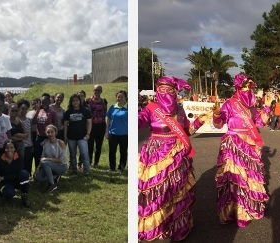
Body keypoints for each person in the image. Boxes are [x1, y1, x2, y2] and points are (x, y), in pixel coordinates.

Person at [137, 76, 199, 240]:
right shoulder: (150, 109)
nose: (165, 93)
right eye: (161, 89)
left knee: (177, 191)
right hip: (156, 154)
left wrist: (200, 121)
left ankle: (177, 224)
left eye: (169, 89)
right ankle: (158, 226)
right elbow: (137, 121)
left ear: (175, 91)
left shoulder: (179, 110)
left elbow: (187, 131)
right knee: (159, 191)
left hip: (178, 154)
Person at [208, 74, 270, 226]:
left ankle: (246, 209)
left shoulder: (252, 107)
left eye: (249, 86)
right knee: (233, 178)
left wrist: (267, 107)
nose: (247, 89)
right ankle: (231, 211)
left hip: (249, 144)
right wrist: (216, 115)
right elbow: (219, 124)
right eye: (244, 86)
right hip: (233, 144)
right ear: (237, 87)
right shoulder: (229, 103)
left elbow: (260, 123)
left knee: (249, 178)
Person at [63, 94, 92, 175]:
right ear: (71, 102)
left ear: (80, 101)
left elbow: (89, 122)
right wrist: (65, 136)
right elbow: (65, 125)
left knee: (84, 154)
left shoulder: (85, 110)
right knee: (72, 154)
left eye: (77, 100)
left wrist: (88, 134)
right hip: (71, 137)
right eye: (73, 101)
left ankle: (86, 171)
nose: (75, 102)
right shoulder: (68, 112)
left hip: (82, 137)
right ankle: (74, 170)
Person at [0, 140, 30, 207]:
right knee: (9, 194)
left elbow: (18, 173)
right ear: (4, 149)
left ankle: (24, 195)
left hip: (16, 180)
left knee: (24, 173)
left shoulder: (19, 157)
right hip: (5, 182)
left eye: (11, 147)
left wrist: (4, 177)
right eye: (7, 147)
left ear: (15, 149)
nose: (9, 149)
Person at [34, 125, 67, 192]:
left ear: (56, 132)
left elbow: (62, 160)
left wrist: (48, 159)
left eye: (52, 132)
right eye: (48, 132)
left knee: (46, 163)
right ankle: (55, 177)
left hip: (61, 166)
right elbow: (42, 158)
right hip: (48, 165)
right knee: (37, 178)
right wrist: (37, 169)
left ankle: (52, 185)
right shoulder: (45, 143)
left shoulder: (60, 143)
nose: (50, 134)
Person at [31, 94, 57, 173]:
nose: (44, 104)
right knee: (37, 155)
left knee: (48, 156)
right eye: (42, 102)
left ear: (49, 102)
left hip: (48, 138)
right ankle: (37, 172)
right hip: (39, 137)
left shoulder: (52, 113)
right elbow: (33, 122)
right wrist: (38, 111)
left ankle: (49, 172)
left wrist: (52, 138)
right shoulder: (39, 111)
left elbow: (55, 127)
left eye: (46, 102)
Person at [86, 86, 107, 169]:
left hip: (100, 126)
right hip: (91, 126)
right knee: (90, 145)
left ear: (101, 91)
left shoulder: (104, 101)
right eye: (95, 90)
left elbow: (105, 112)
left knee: (99, 145)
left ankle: (96, 162)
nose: (97, 91)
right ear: (93, 90)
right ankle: (90, 162)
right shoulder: (88, 101)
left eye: (98, 90)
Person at [107, 90, 129, 172]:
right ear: (116, 98)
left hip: (125, 134)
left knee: (123, 152)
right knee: (112, 151)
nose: (120, 98)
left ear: (125, 97)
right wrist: (107, 131)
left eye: (122, 97)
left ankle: (121, 167)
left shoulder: (128, 107)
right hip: (113, 133)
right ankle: (112, 167)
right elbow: (108, 119)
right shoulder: (112, 107)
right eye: (118, 97)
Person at [7, 104, 28, 175]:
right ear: (9, 110)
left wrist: (18, 135)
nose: (14, 112)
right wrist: (21, 137)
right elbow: (10, 137)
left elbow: (26, 134)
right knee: (12, 161)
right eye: (12, 110)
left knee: (20, 161)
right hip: (11, 146)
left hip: (20, 145)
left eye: (16, 110)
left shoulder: (19, 120)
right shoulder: (7, 121)